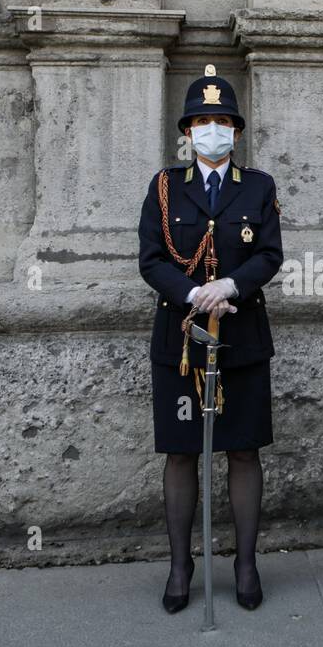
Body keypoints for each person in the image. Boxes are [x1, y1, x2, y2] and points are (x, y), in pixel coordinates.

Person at [138, 65, 283, 613]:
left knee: (243, 450)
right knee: (180, 454)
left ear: (237, 132)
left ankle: (245, 563)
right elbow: (151, 258)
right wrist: (194, 294)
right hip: (180, 340)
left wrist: (232, 286)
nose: (213, 130)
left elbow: (269, 254)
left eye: (223, 120)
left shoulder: (260, 186)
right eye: (203, 120)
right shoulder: (164, 187)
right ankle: (180, 566)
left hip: (241, 335)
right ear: (187, 130)